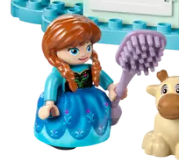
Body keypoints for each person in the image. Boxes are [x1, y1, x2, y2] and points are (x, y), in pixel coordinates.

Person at [34, 15, 121, 149]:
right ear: (53, 51)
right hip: (67, 102)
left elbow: (104, 79)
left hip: (91, 99)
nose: (84, 54)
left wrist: (111, 88)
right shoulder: (58, 73)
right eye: (74, 50)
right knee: (67, 118)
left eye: (88, 47)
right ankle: (62, 140)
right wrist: (49, 104)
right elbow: (51, 86)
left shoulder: (90, 68)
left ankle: (94, 135)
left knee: (95, 115)